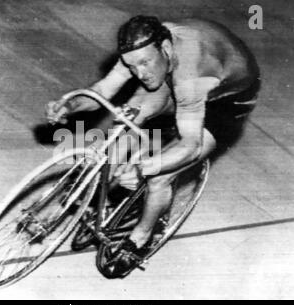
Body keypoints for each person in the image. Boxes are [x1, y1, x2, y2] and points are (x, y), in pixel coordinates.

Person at [46, 15, 260, 277]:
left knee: (160, 176)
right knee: (128, 116)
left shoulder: (191, 74)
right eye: (132, 67)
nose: (140, 73)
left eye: (145, 64)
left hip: (224, 102)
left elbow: (190, 145)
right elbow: (103, 89)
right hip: (176, 74)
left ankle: (141, 237)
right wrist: (69, 106)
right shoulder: (142, 51)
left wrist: (141, 169)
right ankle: (104, 198)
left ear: (166, 49)